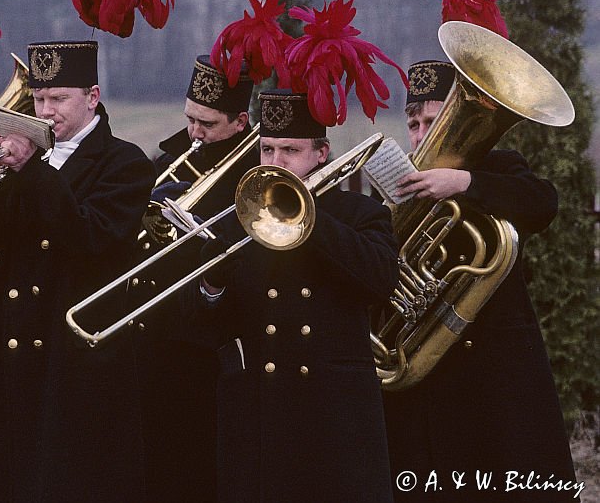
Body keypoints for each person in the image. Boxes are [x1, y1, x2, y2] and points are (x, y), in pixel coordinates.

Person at [0, 40, 155, 501]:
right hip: (6, 345)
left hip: (73, 358)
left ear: (92, 97)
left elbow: (91, 238)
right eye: (38, 99)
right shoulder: (24, 164)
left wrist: (34, 170)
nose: (45, 111)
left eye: (59, 99)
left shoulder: (125, 162)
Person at [384, 60, 579, 502]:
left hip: (496, 366)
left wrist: (464, 182)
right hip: (426, 366)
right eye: (413, 123)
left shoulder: (500, 167)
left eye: (432, 120)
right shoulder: (400, 185)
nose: (420, 133)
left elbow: (542, 203)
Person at [193, 89, 399, 502]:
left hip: (335, 413)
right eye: (267, 149)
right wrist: (211, 284)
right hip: (261, 413)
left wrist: (310, 218)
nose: (276, 162)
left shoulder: (359, 214)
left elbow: (381, 282)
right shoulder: (240, 219)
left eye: (290, 149)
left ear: (321, 153)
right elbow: (207, 327)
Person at [139, 54, 256, 501]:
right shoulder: (171, 158)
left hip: (214, 346)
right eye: (189, 118)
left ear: (240, 121)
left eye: (206, 124)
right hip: (161, 339)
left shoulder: (253, 171)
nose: (194, 133)